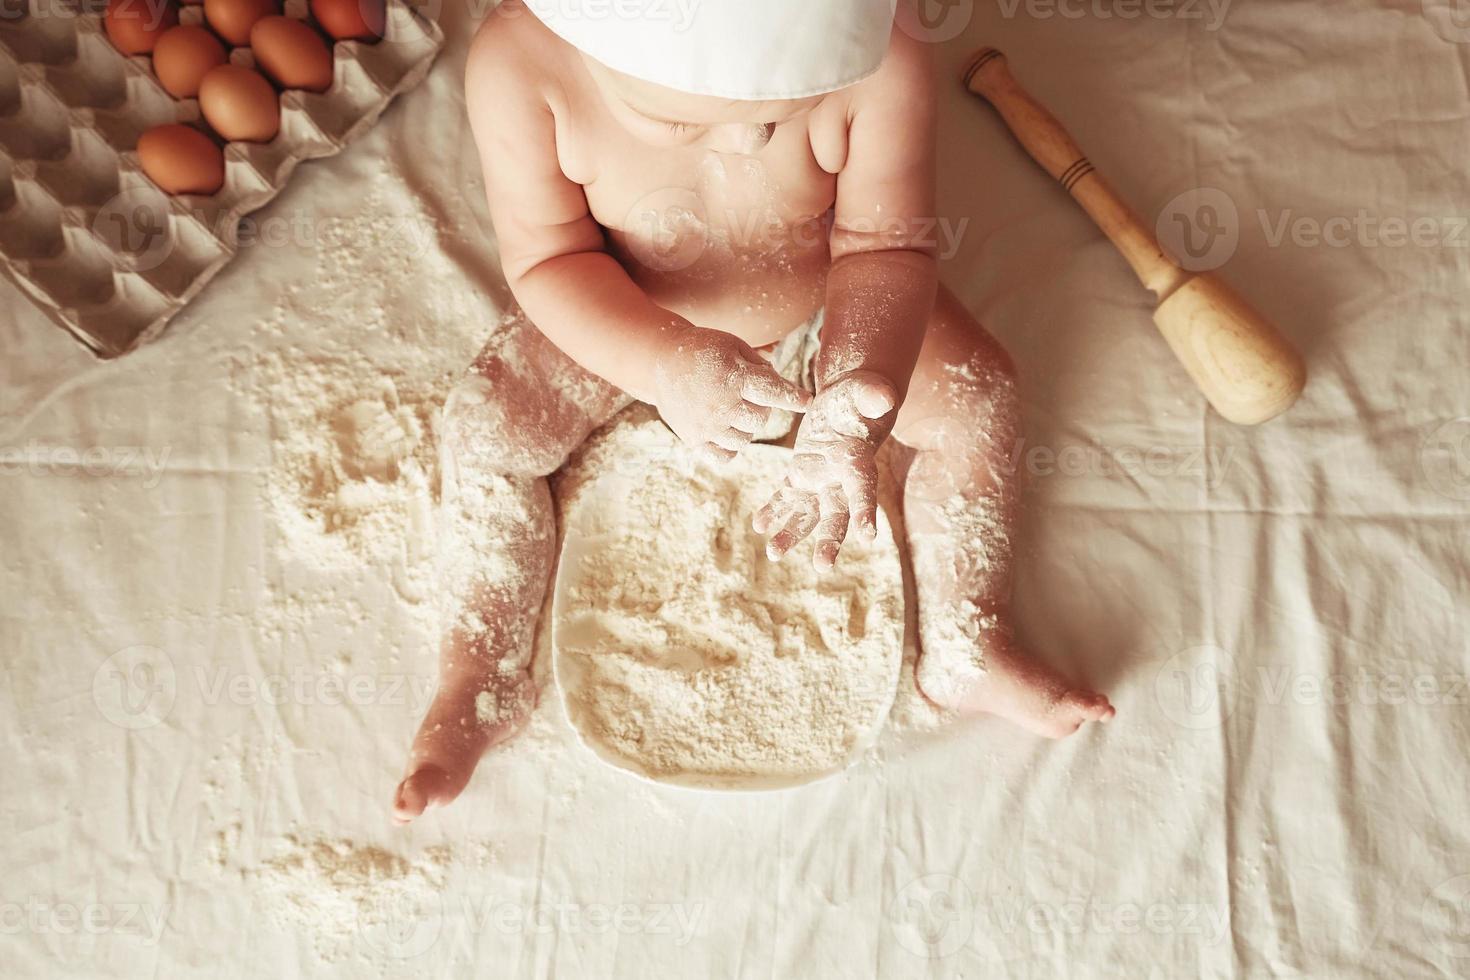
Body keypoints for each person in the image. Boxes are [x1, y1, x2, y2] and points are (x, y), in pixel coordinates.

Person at [393, 0, 1114, 824]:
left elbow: (885, 248)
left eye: (777, 121)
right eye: (671, 119)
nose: (741, 144)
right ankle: (480, 672)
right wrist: (661, 361)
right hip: (631, 313)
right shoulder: (525, 67)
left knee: (978, 396)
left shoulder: (885, 51)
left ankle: (968, 644)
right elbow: (552, 261)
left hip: (829, 311)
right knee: (486, 425)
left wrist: (856, 390)